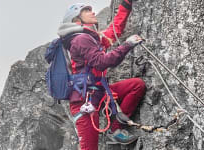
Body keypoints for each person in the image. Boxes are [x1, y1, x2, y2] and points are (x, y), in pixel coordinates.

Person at [58, 0, 146, 149]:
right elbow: (101, 62)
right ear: (76, 20)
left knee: (136, 86)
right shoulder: (81, 40)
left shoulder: (91, 38)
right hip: (84, 101)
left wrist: (125, 5)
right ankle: (115, 129)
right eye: (86, 11)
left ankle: (115, 129)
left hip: (99, 93)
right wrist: (127, 45)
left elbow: (114, 30)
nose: (92, 12)